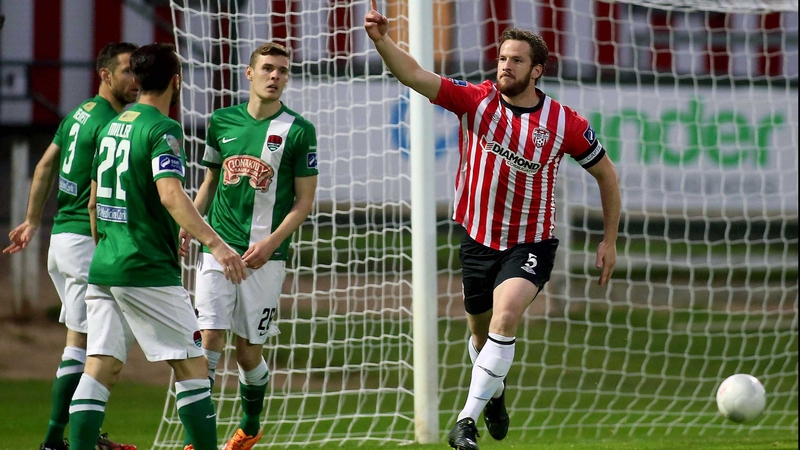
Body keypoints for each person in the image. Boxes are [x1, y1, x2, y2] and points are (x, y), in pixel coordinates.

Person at [364, 3, 621, 450]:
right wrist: (383, 41)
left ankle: (465, 420)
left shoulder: (564, 123)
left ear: (537, 69)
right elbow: (415, 76)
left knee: (506, 316)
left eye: (517, 60)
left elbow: (606, 174)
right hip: (478, 238)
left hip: (532, 241)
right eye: (502, 58)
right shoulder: (475, 100)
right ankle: (495, 393)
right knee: (481, 335)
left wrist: (610, 240)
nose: (506, 66)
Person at [65, 42, 248, 450]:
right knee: (193, 367)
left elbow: (94, 199)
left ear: (137, 78)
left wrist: (106, 244)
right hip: (145, 266)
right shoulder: (163, 127)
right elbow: (170, 194)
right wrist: (216, 245)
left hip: (106, 265)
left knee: (100, 367)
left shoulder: (113, 124)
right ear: (176, 81)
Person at [180, 41, 318, 450]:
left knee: (247, 354)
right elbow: (208, 183)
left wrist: (270, 243)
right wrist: (190, 224)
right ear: (250, 73)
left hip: (265, 258)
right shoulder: (222, 121)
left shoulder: (298, 130)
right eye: (268, 69)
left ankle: (250, 424)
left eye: (283, 71)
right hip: (216, 249)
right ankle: (199, 440)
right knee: (209, 340)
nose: (276, 76)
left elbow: (304, 202)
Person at [3, 42, 140, 450]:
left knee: (84, 342)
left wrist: (31, 220)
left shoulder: (79, 114)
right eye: (128, 70)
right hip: (85, 240)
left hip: (61, 238)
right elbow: (101, 198)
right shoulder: (111, 124)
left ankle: (78, 433)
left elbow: (44, 165)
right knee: (87, 345)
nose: (135, 79)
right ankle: (54, 441)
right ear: (105, 74)